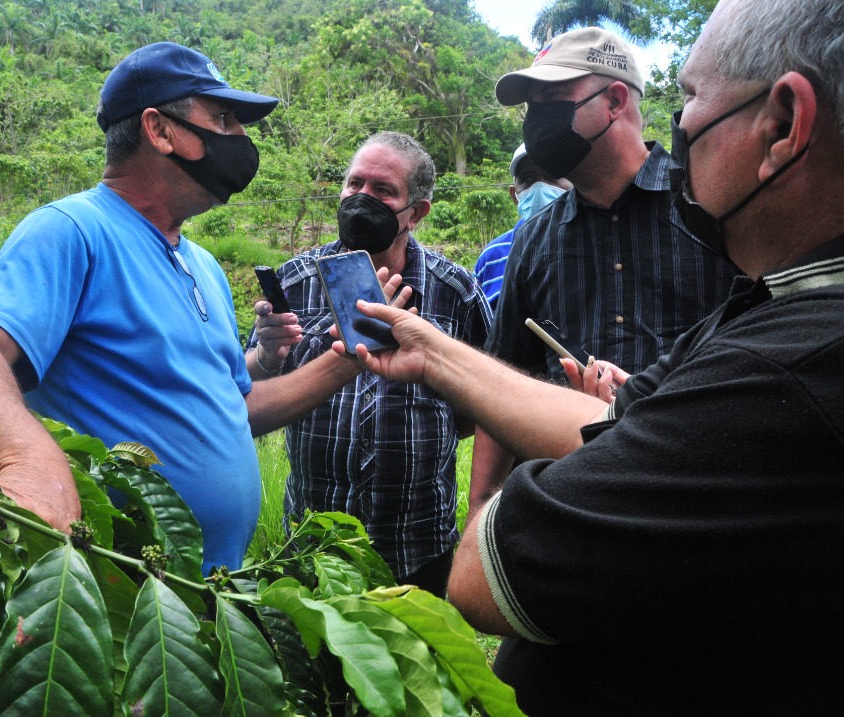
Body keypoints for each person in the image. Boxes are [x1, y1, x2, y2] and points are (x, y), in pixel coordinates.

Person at [343, 0, 844, 710]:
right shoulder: (541, 239)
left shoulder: (765, 317)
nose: (535, 122)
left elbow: (489, 567)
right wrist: (433, 355)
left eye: (694, 96)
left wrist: (509, 509)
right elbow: (589, 402)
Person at [0, 42, 382, 573]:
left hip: (214, 590)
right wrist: (25, 454)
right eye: (221, 118)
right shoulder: (72, 232)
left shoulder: (203, 265)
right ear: (160, 129)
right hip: (121, 600)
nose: (239, 138)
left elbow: (233, 411)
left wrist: (345, 360)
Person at [471, 26, 740, 507]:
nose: (537, 121)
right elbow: (504, 375)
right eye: (532, 106)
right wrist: (478, 512)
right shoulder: (534, 238)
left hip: (702, 502)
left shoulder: (711, 207)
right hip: (566, 507)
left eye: (552, 98)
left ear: (615, 100)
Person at [246, 132, 492, 594]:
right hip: (310, 547)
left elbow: (482, 401)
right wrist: (263, 354)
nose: (362, 199)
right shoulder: (295, 282)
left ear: (415, 213)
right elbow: (243, 391)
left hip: (418, 548)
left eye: (382, 191)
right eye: (354, 184)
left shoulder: (455, 292)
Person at [472, 143, 570, 305]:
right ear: (514, 194)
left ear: (575, 183)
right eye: (528, 179)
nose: (540, 188)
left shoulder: (590, 245)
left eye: (553, 176)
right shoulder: (491, 256)